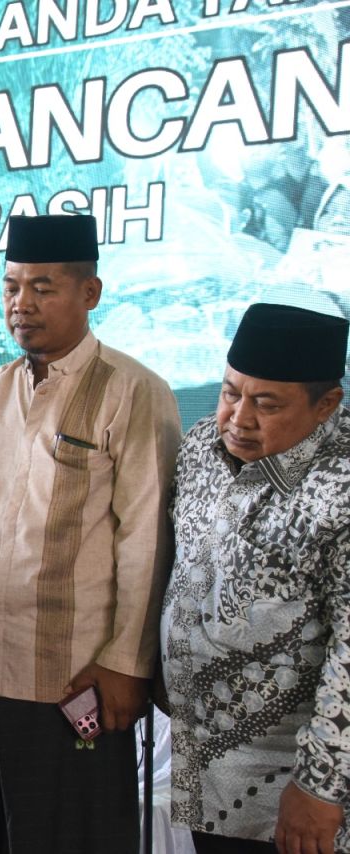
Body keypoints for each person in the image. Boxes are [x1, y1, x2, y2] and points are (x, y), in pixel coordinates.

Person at [0, 213, 183, 852]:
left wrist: (127, 665)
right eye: (11, 287)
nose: (22, 304)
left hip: (76, 681)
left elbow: (147, 542)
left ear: (90, 293)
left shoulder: (134, 391)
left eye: (43, 288)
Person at [161, 304, 350, 854]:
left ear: (326, 404)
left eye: (266, 404)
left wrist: (320, 786)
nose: (239, 419)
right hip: (205, 770)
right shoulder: (201, 446)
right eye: (230, 393)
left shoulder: (341, 484)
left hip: (296, 784)